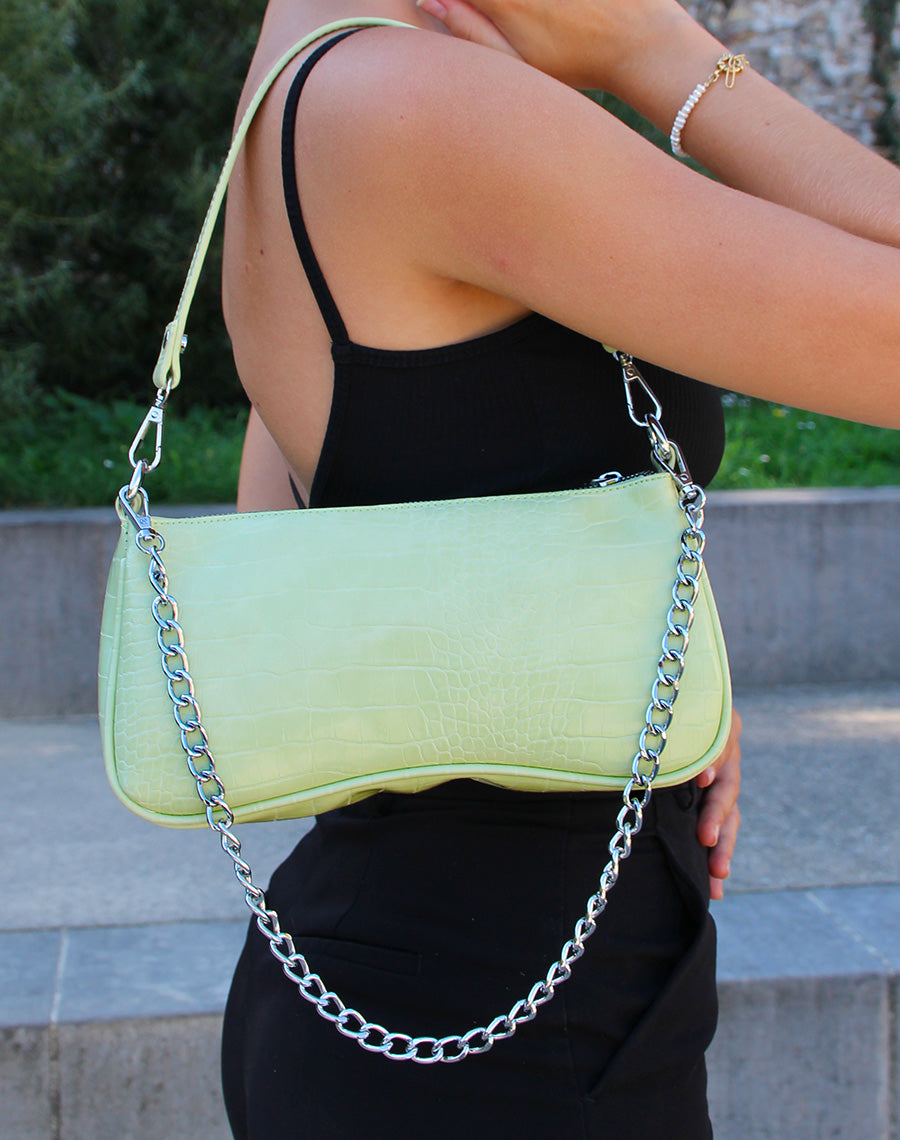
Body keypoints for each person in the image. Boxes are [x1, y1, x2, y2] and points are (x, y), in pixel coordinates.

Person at [219, 0, 900, 1135]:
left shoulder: (302, 78)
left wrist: (642, 663)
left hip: (404, 985)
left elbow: (329, 513)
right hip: (504, 1030)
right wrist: (658, 52)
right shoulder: (421, 105)